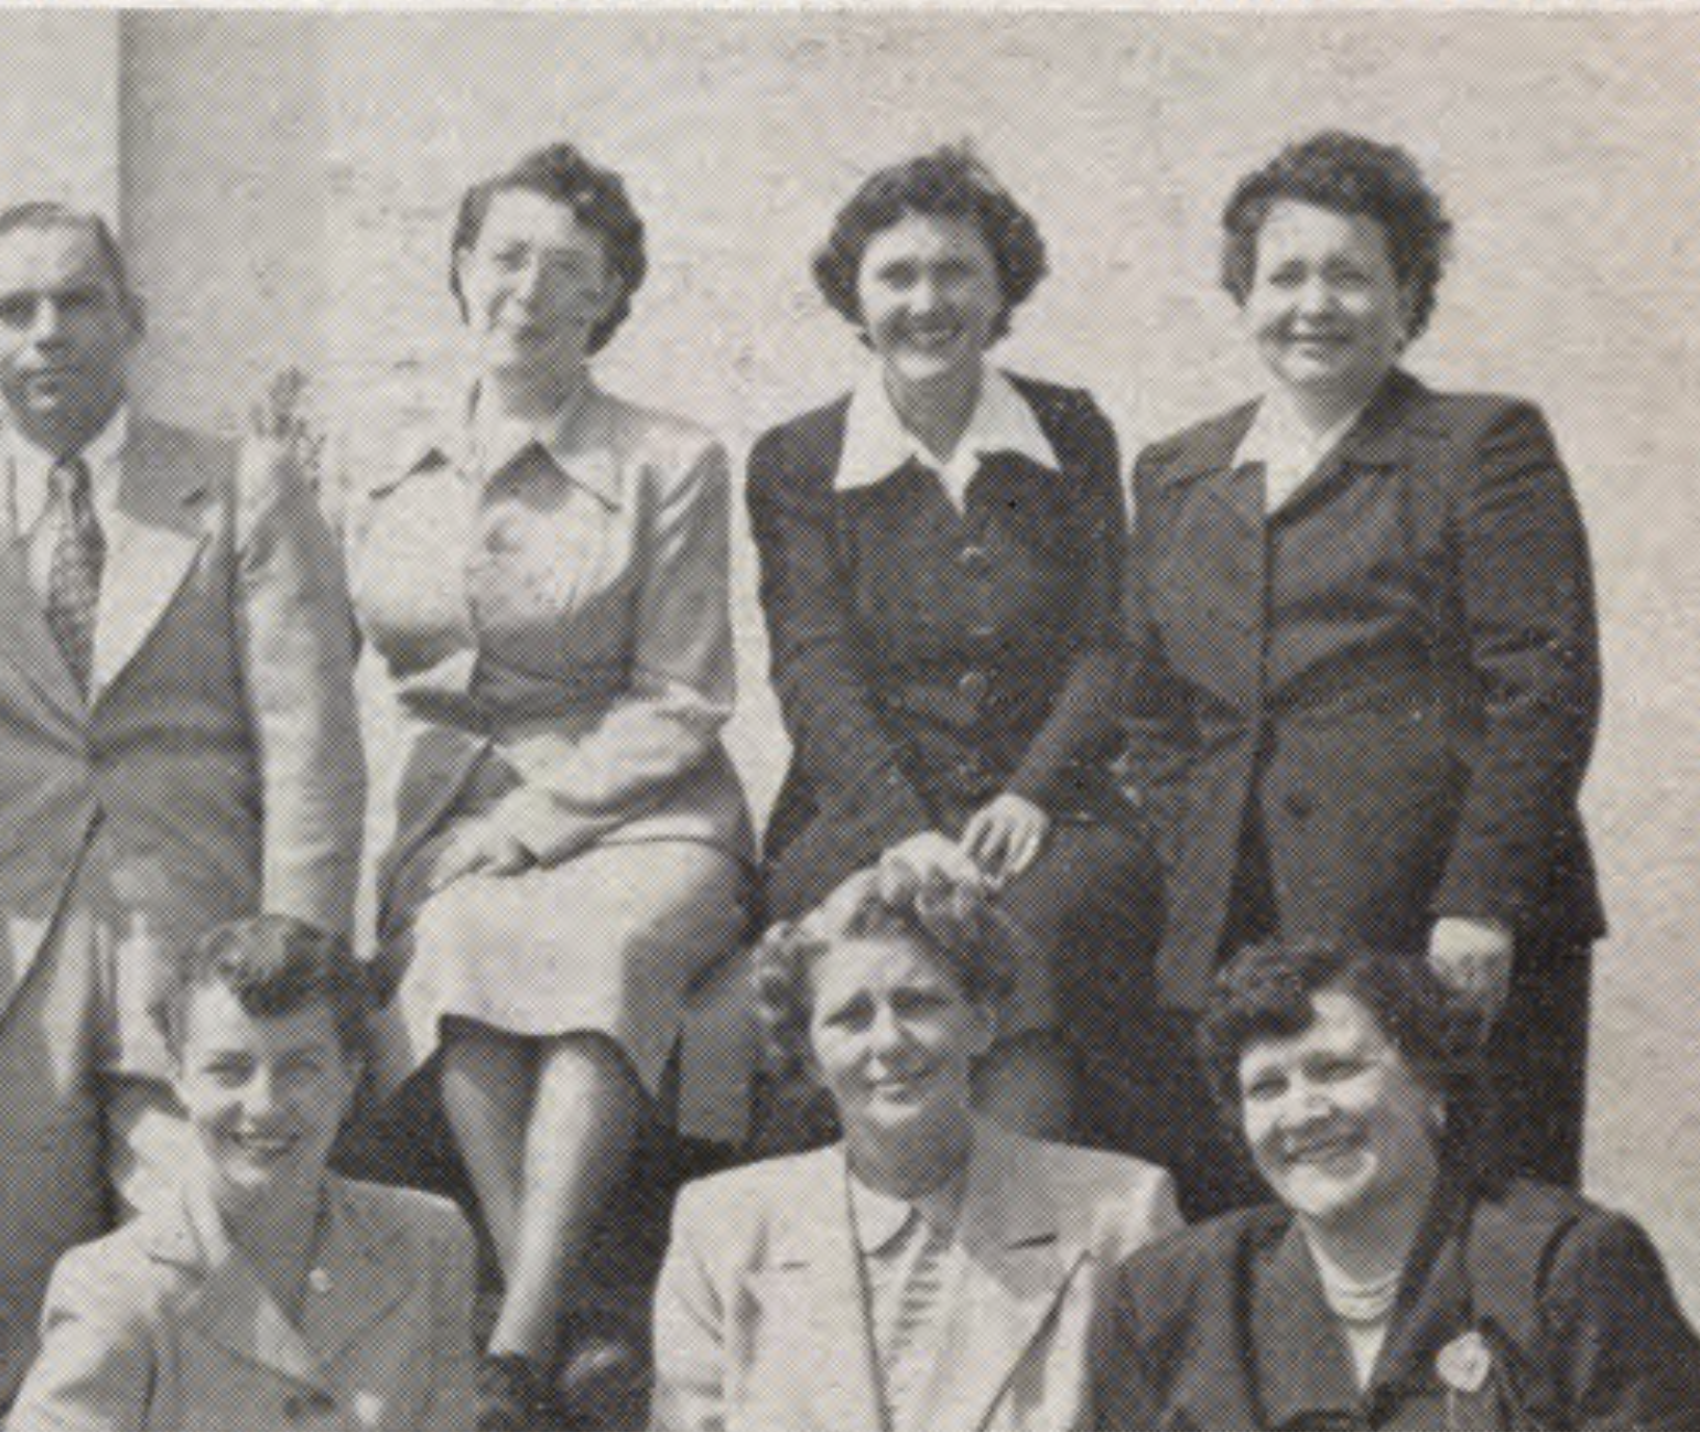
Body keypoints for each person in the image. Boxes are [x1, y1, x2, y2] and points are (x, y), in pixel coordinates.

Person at [0, 202, 364, 1430]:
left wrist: (296, 973)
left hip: (205, 974)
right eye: (13, 311)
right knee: (13, 1349)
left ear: (131, 320)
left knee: (240, 1316)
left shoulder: (240, 487)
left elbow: (312, 748)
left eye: (76, 301)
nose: (46, 333)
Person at [348, 141, 756, 1427]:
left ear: (608, 296)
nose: (526, 288)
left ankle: (514, 1348)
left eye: (567, 269)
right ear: (461, 268)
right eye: (504, 255)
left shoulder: (670, 459)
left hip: (642, 809)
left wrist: (531, 826)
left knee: (604, 952)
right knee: (459, 945)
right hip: (445, 810)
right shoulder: (377, 458)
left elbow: (683, 695)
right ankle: (571, 1312)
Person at [1123, 131, 1603, 1202]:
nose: (1314, 303)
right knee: (1265, 1233)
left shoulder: (1478, 447)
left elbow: (1544, 688)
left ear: (1408, 295)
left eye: (1352, 275)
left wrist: (1479, 902)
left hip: (1436, 929)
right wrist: (1196, 849)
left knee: (1466, 1233)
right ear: (1241, 293)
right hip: (1235, 937)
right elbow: (1151, 714)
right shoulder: (1176, 473)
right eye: (1284, 274)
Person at [747, 145, 1156, 1145]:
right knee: (850, 940)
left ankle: (1012, 1244)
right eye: (896, 275)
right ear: (855, 293)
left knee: (1033, 932)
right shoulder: (797, 458)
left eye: (954, 271)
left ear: (998, 286)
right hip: (860, 804)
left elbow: (1108, 643)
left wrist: (1031, 790)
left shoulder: (1070, 429)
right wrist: (902, 828)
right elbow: (811, 664)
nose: (926, 301)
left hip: (1044, 806)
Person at [654, 859, 1180, 1432]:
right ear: (808, 1059)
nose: (889, 1041)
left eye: (918, 1003)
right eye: (850, 1018)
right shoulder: (723, 1229)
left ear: (981, 1021)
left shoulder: (1120, 1213)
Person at [1085, 941, 1700, 1429]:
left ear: (1432, 1086)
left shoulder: (1567, 1266)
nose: (1302, 1112)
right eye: (1267, 1088)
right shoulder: (1167, 1297)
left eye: (1337, 1069)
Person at [9, 915, 477, 1431]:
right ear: (179, 1078)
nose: (264, 1105)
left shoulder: (428, 1241)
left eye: (300, 1069)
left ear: (349, 1078)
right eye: (229, 1070)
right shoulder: (113, 1287)